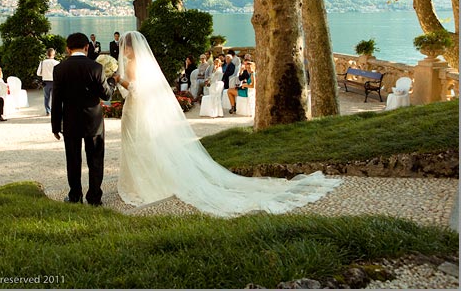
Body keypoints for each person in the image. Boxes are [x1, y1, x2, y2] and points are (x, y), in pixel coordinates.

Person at [112, 31, 341, 217]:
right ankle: (147, 177)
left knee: (138, 143)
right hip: (141, 108)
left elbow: (134, 89)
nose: (124, 50)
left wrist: (118, 79)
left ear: (130, 48)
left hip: (136, 108)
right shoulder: (144, 64)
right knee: (144, 143)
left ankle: (142, 182)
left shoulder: (132, 64)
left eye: (125, 46)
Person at [51, 32, 115, 206]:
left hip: (70, 121)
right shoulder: (95, 67)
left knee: (73, 160)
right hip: (93, 121)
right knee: (95, 159)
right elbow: (106, 94)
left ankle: (75, 195)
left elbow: (56, 100)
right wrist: (112, 81)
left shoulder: (59, 68)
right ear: (87, 47)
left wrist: (55, 126)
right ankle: (94, 197)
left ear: (67, 48)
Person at [37, 48, 59, 116]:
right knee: (55, 97)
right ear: (54, 54)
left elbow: (38, 73)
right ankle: (55, 110)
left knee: (46, 97)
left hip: (46, 82)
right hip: (55, 81)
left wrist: (43, 74)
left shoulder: (43, 62)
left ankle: (48, 111)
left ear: (47, 54)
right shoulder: (57, 62)